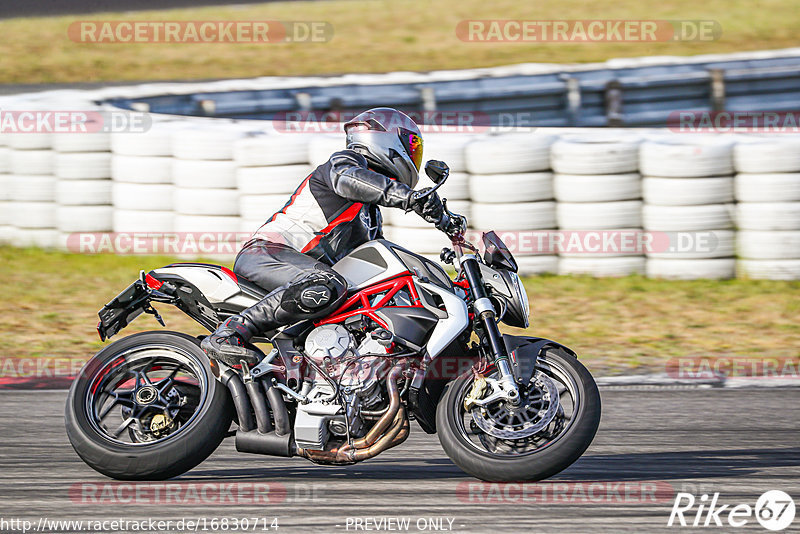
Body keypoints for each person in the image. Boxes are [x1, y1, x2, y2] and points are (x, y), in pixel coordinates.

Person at [201, 107, 446, 366]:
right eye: (412, 145)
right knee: (327, 283)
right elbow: (348, 180)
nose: (414, 154)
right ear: (385, 139)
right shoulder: (344, 164)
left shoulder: (370, 216)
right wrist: (408, 198)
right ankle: (230, 333)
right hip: (267, 253)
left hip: (302, 276)